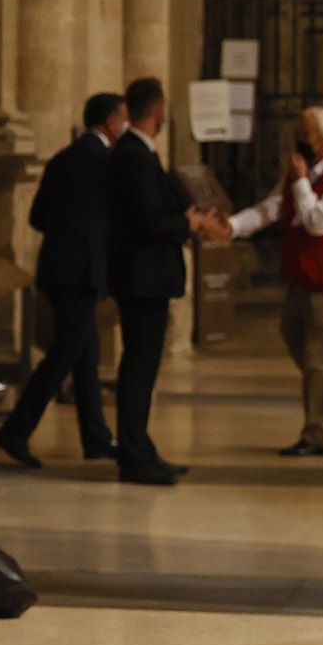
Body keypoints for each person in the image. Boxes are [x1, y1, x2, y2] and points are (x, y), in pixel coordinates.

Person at [215, 105, 323, 456]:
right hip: (302, 277)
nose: (300, 143)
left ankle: (317, 435)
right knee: (297, 341)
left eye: (307, 136)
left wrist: (300, 181)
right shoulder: (301, 173)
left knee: (319, 359)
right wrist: (233, 228)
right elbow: (273, 206)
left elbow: (318, 220)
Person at [0, 92, 128, 468]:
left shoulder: (63, 158)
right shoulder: (107, 163)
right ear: (111, 122)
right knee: (66, 353)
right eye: (124, 119)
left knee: (86, 354)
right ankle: (15, 431)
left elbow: (38, 217)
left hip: (58, 269)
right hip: (81, 273)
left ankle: (96, 436)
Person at [108, 76, 213, 486]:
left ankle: (141, 447)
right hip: (141, 279)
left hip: (147, 279)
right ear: (157, 110)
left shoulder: (139, 152)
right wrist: (183, 223)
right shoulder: (133, 155)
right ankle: (133, 456)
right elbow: (148, 221)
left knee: (144, 369)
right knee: (138, 369)